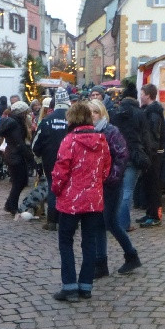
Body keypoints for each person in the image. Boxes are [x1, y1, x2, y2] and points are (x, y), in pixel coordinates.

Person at [51, 101, 110, 301]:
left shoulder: (69, 140)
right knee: (89, 242)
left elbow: (61, 170)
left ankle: (69, 287)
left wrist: (56, 190)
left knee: (66, 241)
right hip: (94, 199)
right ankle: (86, 285)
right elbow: (106, 169)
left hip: (71, 199)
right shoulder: (101, 140)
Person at [88, 99, 141, 277]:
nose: (92, 116)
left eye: (95, 112)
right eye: (90, 112)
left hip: (110, 184)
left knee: (110, 222)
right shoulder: (88, 132)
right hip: (95, 185)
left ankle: (131, 255)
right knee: (98, 224)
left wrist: (112, 177)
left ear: (102, 113)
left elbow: (122, 155)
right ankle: (101, 263)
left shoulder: (111, 131)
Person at [32, 88, 72, 231]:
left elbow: (35, 144)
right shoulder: (73, 120)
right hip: (70, 160)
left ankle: (52, 221)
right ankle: (66, 220)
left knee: (53, 188)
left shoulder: (47, 120)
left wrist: (39, 155)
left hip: (50, 159)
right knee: (68, 188)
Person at [111, 83, 148, 232]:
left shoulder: (116, 113)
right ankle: (123, 224)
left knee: (118, 190)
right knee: (127, 192)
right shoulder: (139, 113)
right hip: (133, 155)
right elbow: (146, 137)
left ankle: (114, 221)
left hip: (117, 155)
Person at [0, 100, 34, 215]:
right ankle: (11, 205)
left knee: (19, 181)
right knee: (20, 181)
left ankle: (10, 204)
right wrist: (29, 157)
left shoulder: (12, 122)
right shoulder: (16, 124)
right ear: (21, 112)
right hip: (15, 155)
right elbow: (19, 143)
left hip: (11, 154)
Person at [138, 83, 165, 227]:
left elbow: (154, 134)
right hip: (151, 152)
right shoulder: (148, 110)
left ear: (148, 95)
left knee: (154, 186)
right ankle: (150, 212)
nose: (140, 96)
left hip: (153, 154)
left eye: (142, 93)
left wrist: (150, 151)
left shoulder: (153, 112)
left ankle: (155, 216)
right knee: (148, 184)